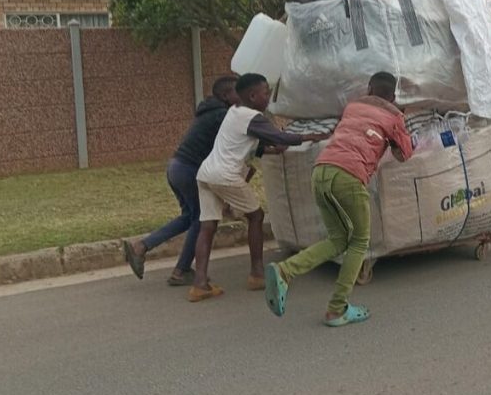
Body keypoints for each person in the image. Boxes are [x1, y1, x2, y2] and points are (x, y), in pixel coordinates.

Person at [265, 72, 413, 327]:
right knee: (359, 242)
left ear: (368, 88)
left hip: (321, 171)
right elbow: (405, 154)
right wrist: (398, 128)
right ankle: (337, 309)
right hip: (349, 177)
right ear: (393, 96)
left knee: (337, 240)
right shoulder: (393, 117)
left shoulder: (353, 107)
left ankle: (285, 270)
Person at [189, 73, 329, 303]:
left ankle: (200, 284)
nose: (268, 97)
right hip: (225, 175)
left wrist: (276, 146)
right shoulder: (251, 116)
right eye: (266, 93)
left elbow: (252, 144)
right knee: (256, 216)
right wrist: (314, 136)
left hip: (205, 173)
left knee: (208, 227)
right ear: (253, 96)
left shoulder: (234, 112)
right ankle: (256, 274)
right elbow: (280, 136)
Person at [122, 75, 239, 285]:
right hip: (189, 170)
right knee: (201, 219)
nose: (240, 96)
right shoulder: (221, 115)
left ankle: (141, 246)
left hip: (176, 167)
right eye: (236, 92)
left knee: (189, 217)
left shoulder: (209, 112)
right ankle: (181, 271)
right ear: (225, 95)